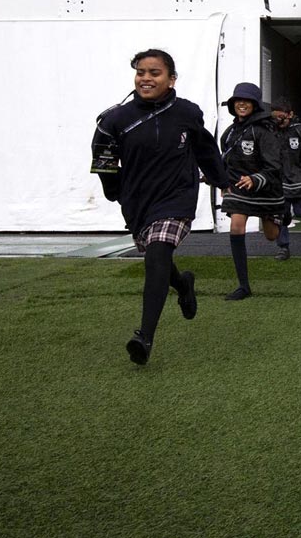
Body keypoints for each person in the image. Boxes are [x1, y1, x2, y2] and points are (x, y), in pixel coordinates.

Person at [91, 48, 229, 366]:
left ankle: (145, 337)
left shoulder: (187, 113)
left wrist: (223, 181)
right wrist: (115, 193)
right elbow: (103, 159)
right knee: (159, 257)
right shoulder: (115, 120)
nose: (146, 78)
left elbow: (206, 150)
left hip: (177, 197)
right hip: (137, 202)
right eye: (141, 72)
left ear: (171, 78)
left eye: (155, 73)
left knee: (157, 252)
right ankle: (183, 285)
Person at [219, 82, 285, 300]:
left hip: (266, 187)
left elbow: (274, 166)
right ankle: (243, 286)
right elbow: (225, 159)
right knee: (236, 226)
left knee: (271, 235)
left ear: (255, 105)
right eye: (238, 100)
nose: (242, 104)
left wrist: (256, 179)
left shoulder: (265, 131)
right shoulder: (229, 133)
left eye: (246, 101)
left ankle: (277, 216)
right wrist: (222, 182)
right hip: (239, 187)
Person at [268, 96, 301, 257]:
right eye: (275, 117)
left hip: (299, 178)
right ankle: (283, 247)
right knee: (281, 214)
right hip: (279, 179)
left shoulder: (300, 131)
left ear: (289, 114)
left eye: (281, 117)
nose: (278, 121)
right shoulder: (270, 131)